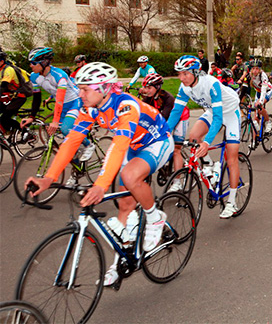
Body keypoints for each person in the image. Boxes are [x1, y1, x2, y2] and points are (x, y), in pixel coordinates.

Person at [26, 62, 174, 285]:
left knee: (130, 177)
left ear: (103, 88)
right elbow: (71, 142)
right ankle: (120, 263)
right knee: (125, 206)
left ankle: (155, 217)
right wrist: (49, 178)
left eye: (85, 89)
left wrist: (101, 185)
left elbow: (118, 146)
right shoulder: (90, 109)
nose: (80, 93)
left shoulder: (125, 106)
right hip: (133, 145)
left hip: (157, 141)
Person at [168, 55, 241, 219]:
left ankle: (232, 201)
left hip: (229, 113)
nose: (181, 77)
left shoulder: (211, 83)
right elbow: (176, 111)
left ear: (196, 72)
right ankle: (210, 164)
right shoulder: (185, 86)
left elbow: (218, 118)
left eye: (185, 73)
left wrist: (207, 142)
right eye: (179, 74)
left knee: (231, 157)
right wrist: (165, 132)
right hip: (212, 111)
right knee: (193, 137)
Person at [22, 47, 95, 162]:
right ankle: (77, 169)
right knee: (65, 146)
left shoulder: (59, 76)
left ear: (44, 62)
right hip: (62, 104)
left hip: (74, 102)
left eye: (33, 63)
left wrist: (55, 121)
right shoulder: (34, 76)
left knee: (66, 129)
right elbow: (37, 98)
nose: (31, 65)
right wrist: (32, 117)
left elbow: (60, 100)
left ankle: (88, 144)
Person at [140, 73, 190, 193]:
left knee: (176, 149)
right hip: (165, 121)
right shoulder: (148, 98)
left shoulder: (169, 99)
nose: (146, 90)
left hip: (180, 118)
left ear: (157, 87)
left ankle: (178, 182)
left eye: (149, 88)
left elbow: (164, 120)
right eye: (145, 87)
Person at [0, 48, 29, 135]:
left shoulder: (8, 70)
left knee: (5, 118)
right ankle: (6, 130)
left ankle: (25, 132)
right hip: (9, 97)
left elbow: (4, 85)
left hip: (19, 97)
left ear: (1, 61)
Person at [248, 58, 272, 133]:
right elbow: (244, 85)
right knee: (256, 117)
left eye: (257, 68)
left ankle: (268, 122)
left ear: (259, 69)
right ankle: (254, 142)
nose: (255, 70)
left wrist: (261, 101)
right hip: (258, 92)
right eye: (253, 68)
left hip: (267, 91)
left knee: (259, 107)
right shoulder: (250, 75)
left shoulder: (263, 76)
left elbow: (263, 90)